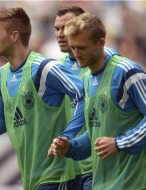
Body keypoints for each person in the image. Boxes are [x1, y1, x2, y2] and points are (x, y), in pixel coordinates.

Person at [0, 7, 85, 190]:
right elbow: (0, 121)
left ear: (14, 36)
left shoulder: (44, 68)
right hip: (31, 179)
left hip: (58, 177)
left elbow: (83, 95)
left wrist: (67, 137)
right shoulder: (1, 75)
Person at [48, 12, 146, 190]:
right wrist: (70, 147)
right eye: (73, 48)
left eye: (81, 47)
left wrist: (119, 143)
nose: (76, 54)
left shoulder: (126, 72)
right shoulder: (88, 79)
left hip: (135, 184)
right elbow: (95, 135)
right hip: (104, 184)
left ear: (101, 43)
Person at [54, 6, 119, 190]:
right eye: (56, 29)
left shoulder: (108, 61)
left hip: (99, 162)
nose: (60, 34)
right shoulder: (56, 68)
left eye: (65, 27)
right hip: (71, 165)